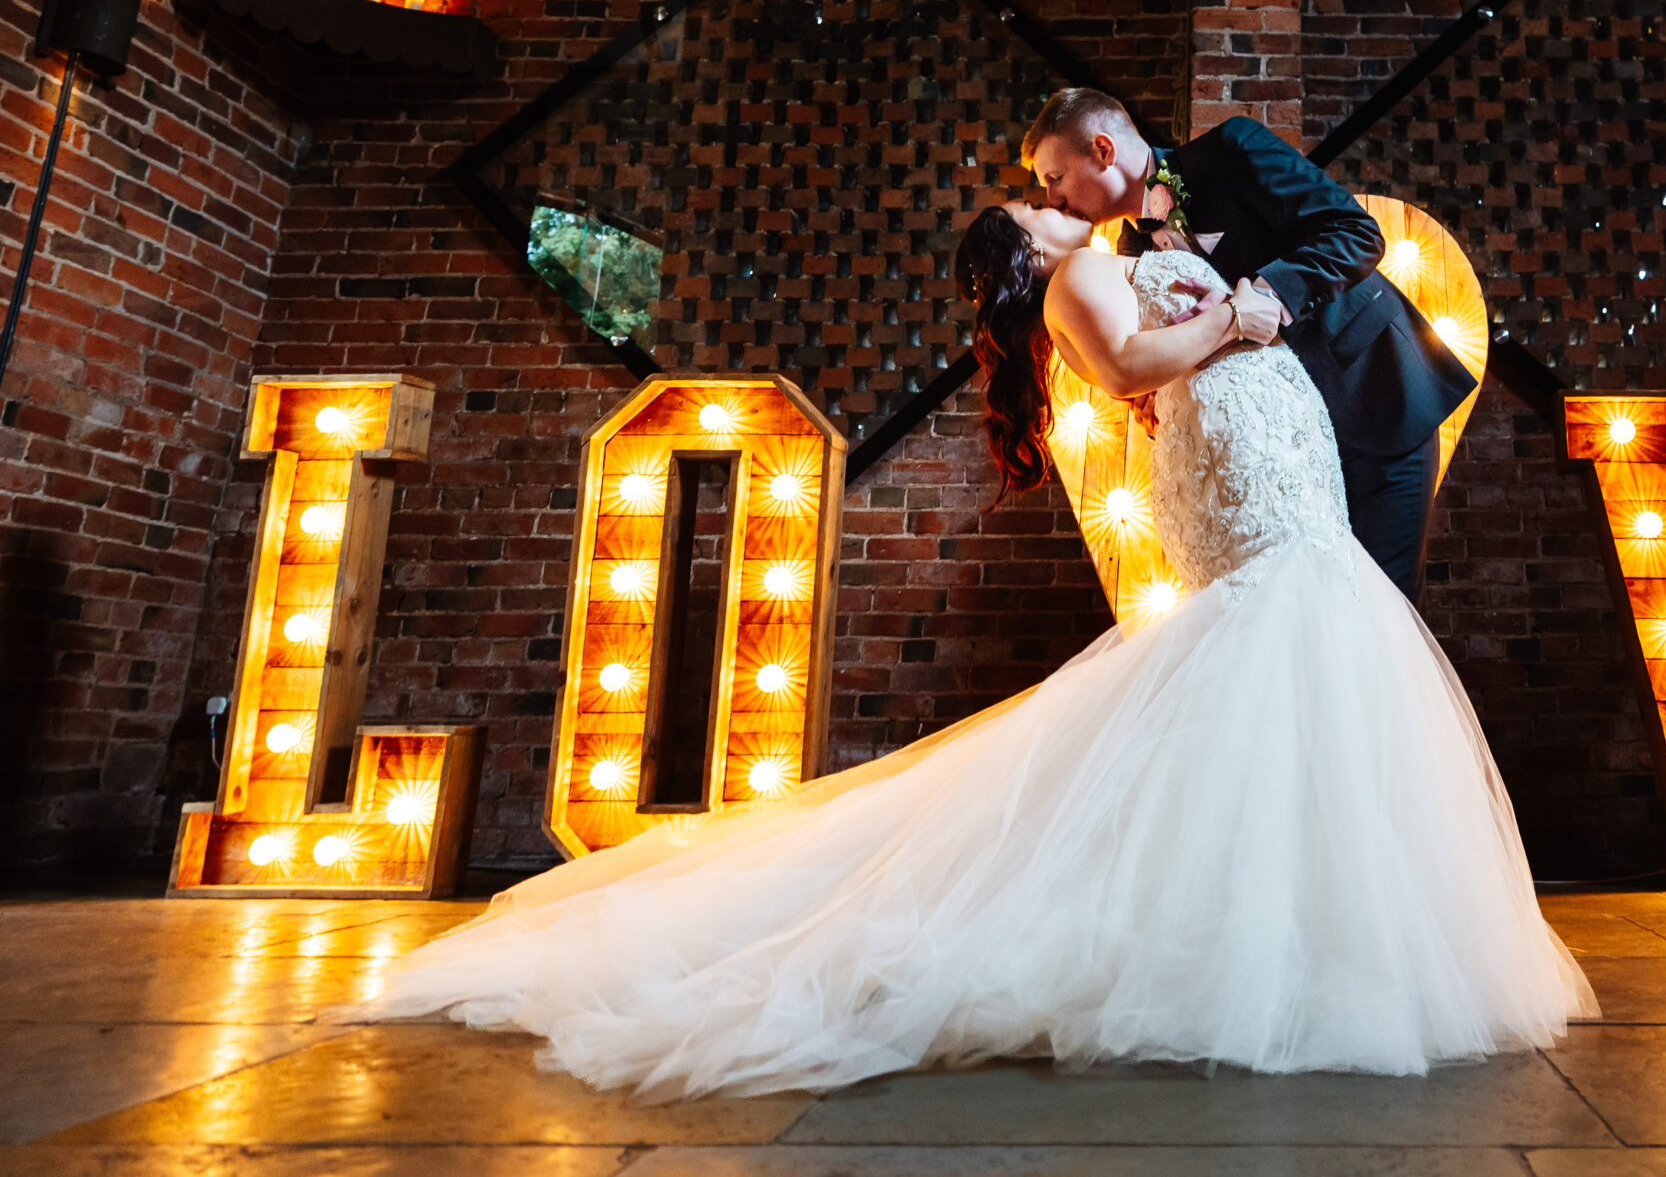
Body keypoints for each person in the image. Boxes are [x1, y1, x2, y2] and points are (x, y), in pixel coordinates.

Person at [356, 195, 1595, 1101]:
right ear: (1026, 248)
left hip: (1284, 466)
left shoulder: (1134, 246)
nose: (1060, 207)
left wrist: (1224, 288)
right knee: (1269, 659)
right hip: (1244, 483)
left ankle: (1326, 927)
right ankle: (1276, 947)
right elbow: (1133, 367)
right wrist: (1236, 318)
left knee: (1297, 682)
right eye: (1037, 207)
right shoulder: (1075, 283)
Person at [1021, 90, 1477, 603]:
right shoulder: (1129, 257)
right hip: (1281, 457)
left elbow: (1357, 233)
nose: (1053, 199)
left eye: (1054, 178)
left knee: (1383, 612)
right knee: (1317, 616)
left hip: (1374, 400)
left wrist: (1264, 294)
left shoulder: (1231, 149)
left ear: (1103, 150)